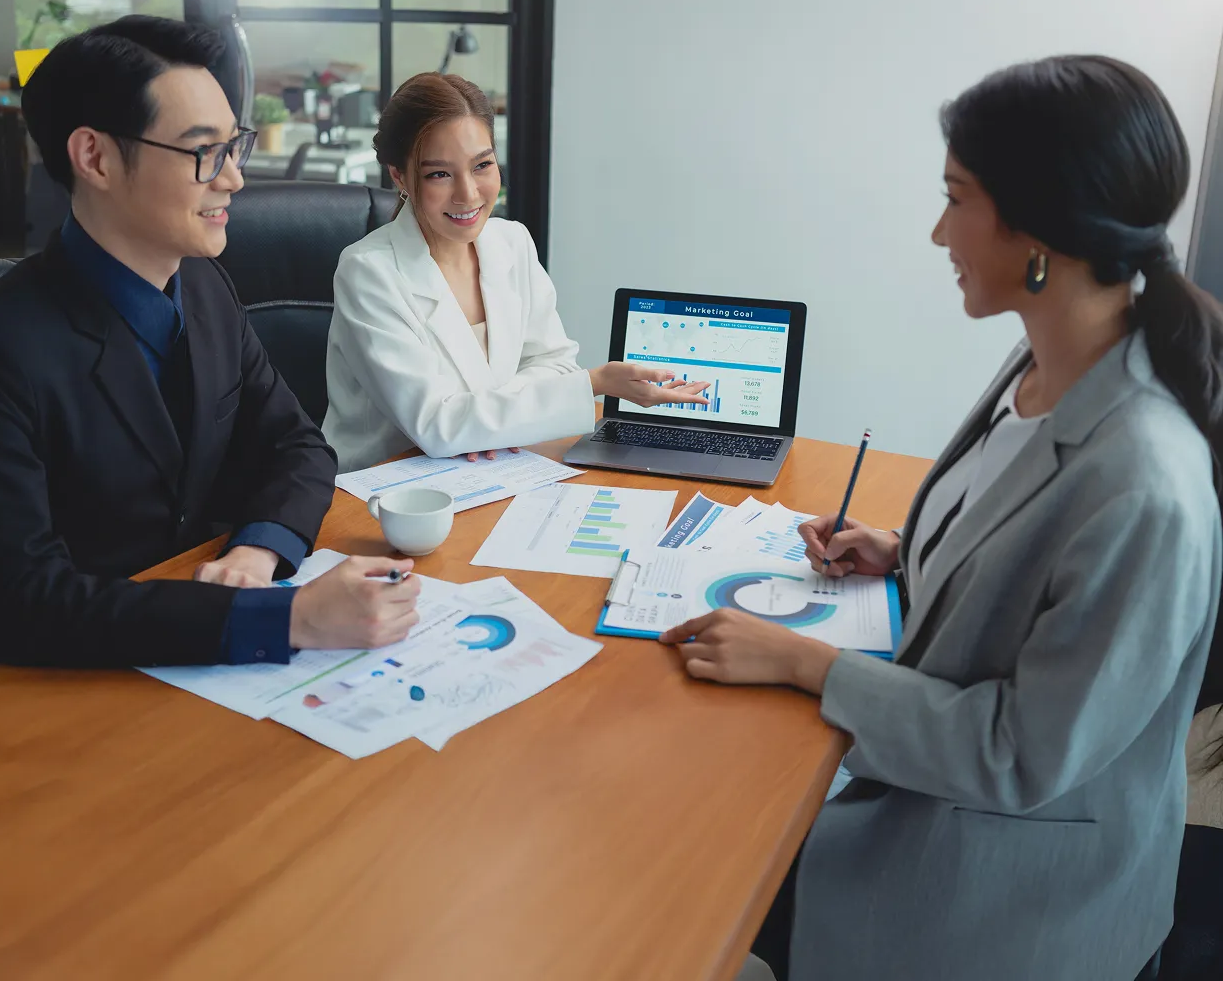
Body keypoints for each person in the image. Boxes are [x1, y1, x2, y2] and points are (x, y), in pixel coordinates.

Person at [660, 56, 1223, 980]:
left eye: (955, 197)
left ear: (1037, 225)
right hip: (918, 807)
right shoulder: (1042, 361)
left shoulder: (1146, 485)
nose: (936, 231)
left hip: (1009, 898)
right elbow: (1018, 556)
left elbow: (1018, 752)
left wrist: (808, 664)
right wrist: (904, 552)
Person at [0, 16, 420, 668]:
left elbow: (295, 445)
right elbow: (23, 600)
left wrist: (258, 551)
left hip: (202, 670)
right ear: (95, 157)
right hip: (66, 692)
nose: (233, 179)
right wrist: (283, 616)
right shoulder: (5, 344)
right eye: (203, 151)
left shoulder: (205, 284)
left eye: (234, 146)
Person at [322, 72, 710, 472]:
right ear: (400, 176)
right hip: (383, 492)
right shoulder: (368, 273)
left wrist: (483, 423)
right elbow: (438, 425)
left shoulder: (512, 242)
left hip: (491, 472)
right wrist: (592, 385)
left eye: (482, 165)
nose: (468, 193)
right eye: (439, 173)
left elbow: (556, 363)